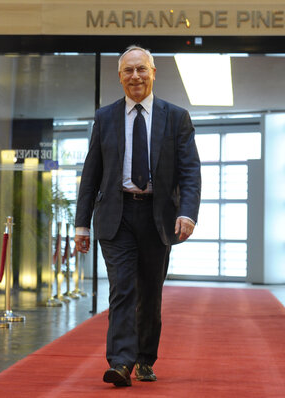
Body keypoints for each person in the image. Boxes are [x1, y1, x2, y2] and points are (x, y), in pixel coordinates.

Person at [74, 45, 201, 387]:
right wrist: (81, 224)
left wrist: (188, 213)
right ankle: (120, 363)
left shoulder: (176, 117)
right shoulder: (105, 117)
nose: (135, 76)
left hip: (158, 217)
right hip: (116, 216)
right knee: (122, 288)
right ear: (119, 77)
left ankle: (145, 358)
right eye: (128, 71)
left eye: (141, 69)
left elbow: (190, 171)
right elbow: (92, 174)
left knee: (149, 291)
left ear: (153, 73)